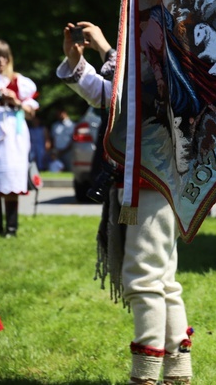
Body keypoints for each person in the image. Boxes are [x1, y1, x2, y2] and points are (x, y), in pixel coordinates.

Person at [57, 22, 193, 385]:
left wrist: (104, 48)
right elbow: (110, 95)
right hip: (147, 180)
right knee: (162, 279)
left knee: (145, 279)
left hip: (153, 180)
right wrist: (77, 62)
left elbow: (135, 89)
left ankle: (145, 376)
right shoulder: (151, 55)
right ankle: (177, 372)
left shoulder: (174, 57)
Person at [0, 39, 39, 238]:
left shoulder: (19, 81)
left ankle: (11, 228)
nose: (0, 60)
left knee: (11, 177)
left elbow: (31, 113)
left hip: (13, 137)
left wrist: (16, 101)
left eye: (4, 56)